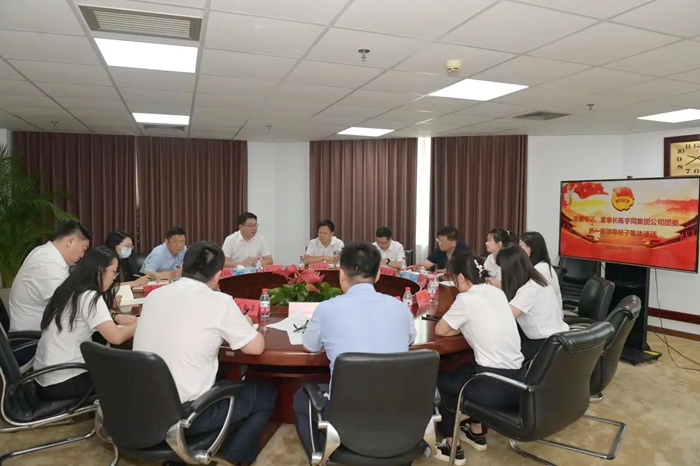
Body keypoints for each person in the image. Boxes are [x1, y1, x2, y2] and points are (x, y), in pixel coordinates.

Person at [133, 241, 275, 466]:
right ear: (218, 275)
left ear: (183, 266)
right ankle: (233, 459)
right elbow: (256, 347)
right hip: (185, 415)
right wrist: (245, 324)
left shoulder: (154, 297)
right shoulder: (219, 302)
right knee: (264, 394)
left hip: (141, 407)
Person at [293, 241, 417, 459]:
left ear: (341, 274)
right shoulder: (400, 308)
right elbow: (411, 340)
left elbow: (309, 346)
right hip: (398, 412)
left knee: (301, 398)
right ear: (378, 274)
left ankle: (321, 456)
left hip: (347, 416)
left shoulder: (327, 309)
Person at [434, 252, 525, 464]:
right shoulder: (497, 293)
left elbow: (441, 330)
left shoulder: (466, 299)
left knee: (440, 379)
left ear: (461, 278)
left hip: (493, 387)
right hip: (518, 381)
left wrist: (462, 325)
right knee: (464, 368)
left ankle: (451, 446)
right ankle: (476, 432)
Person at [34, 247, 137, 400]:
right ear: (100, 270)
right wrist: (139, 324)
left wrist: (114, 316)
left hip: (45, 377)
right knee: (131, 374)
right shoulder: (90, 296)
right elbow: (116, 337)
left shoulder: (70, 289)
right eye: (114, 272)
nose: (114, 278)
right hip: (65, 380)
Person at [9, 221, 93, 333]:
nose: (82, 255)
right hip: (32, 336)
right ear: (70, 241)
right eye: (84, 248)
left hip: (44, 330)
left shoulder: (46, 253)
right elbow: (68, 304)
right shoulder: (46, 263)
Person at [497, 245, 568, 360]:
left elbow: (505, 318)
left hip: (543, 346)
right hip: (558, 339)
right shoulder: (538, 280)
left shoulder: (529, 289)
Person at [519, 231, 563, 311]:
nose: (518, 249)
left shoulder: (542, 270)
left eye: (521, 245)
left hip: (547, 315)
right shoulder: (532, 266)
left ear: (532, 248)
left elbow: (526, 294)